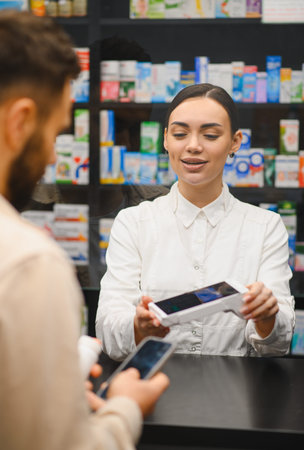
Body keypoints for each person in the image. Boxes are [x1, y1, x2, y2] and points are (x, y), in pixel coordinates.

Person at [0, 10, 169, 450]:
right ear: (20, 123)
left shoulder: (153, 202)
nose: (56, 155)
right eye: (57, 131)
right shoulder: (27, 259)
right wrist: (126, 406)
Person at [96, 83, 295, 360]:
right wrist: (138, 327)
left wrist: (267, 316)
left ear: (235, 142)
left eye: (211, 135)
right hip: (155, 390)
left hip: (236, 395)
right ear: (165, 139)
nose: (193, 146)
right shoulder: (134, 223)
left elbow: (277, 344)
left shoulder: (265, 227)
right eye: (180, 134)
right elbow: (108, 327)